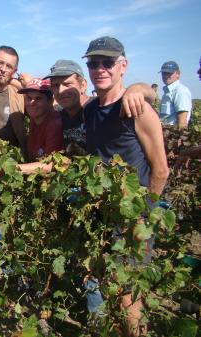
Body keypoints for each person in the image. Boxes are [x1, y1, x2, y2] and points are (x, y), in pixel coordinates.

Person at [82, 36, 169, 336]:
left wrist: (142, 216)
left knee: (127, 293)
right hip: (100, 215)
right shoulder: (90, 110)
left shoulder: (138, 109)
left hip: (133, 219)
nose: (100, 69)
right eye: (94, 63)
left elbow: (161, 170)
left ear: (123, 66)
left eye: (107, 62)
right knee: (95, 279)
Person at [16, 78, 64, 174]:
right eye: (29, 98)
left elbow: (49, 165)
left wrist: (10, 168)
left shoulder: (55, 124)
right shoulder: (35, 119)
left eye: (38, 98)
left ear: (51, 101)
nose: (31, 103)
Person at [159, 61, 192, 128]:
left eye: (169, 73)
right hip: (165, 133)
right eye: (164, 73)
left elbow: (182, 122)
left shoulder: (180, 91)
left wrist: (178, 137)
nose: (166, 76)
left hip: (172, 136)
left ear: (178, 74)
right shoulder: (168, 92)